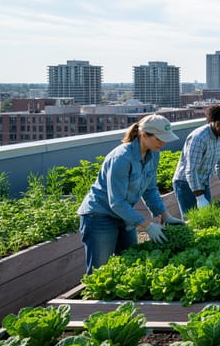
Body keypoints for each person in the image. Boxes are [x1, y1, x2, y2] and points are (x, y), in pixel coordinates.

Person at [77, 114, 185, 273]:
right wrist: (147, 226)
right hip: (100, 215)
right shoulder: (122, 158)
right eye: (159, 138)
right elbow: (116, 202)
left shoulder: (153, 154)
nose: (163, 143)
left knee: (131, 264)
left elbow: (151, 189)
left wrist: (165, 215)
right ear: (143, 135)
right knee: (99, 271)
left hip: (124, 215)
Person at [172, 104, 220, 215]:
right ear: (218, 124)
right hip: (185, 184)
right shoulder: (199, 138)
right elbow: (191, 170)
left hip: (203, 182)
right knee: (192, 221)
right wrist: (200, 197)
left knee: (206, 217)